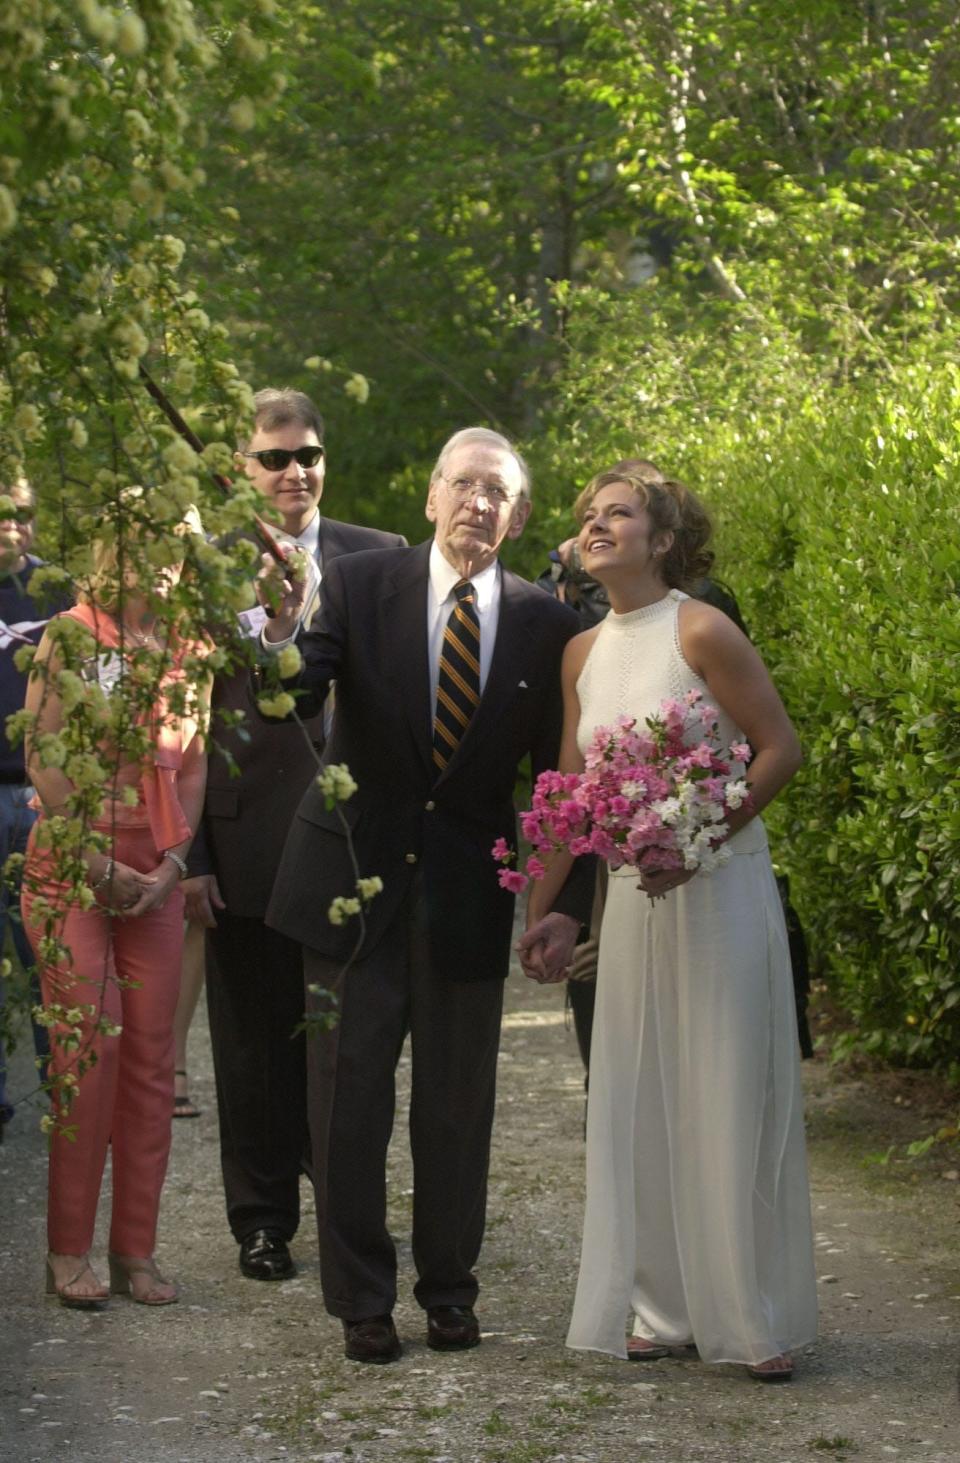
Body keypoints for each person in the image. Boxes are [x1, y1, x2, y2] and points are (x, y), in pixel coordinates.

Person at [258, 426, 591, 1363]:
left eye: (498, 491)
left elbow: (561, 784)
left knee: (455, 1106)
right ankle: (361, 1299)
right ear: (431, 497)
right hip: (350, 889)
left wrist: (565, 902)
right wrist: (280, 630)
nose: (478, 503)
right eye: (464, 484)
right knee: (346, 1103)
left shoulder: (548, 625)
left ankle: (449, 1290)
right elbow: (294, 696)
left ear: (518, 516)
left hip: (467, 895)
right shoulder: (361, 586)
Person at [521, 466, 817, 1380]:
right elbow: (568, 797)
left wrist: (701, 839)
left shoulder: (701, 627)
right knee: (641, 1087)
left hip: (719, 889)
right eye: (589, 516)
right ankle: (661, 1305)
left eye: (620, 513)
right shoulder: (581, 652)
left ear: (662, 539)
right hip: (634, 905)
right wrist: (544, 913)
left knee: (724, 1085)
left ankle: (748, 1313)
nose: (598, 525)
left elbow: (780, 748)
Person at [183, 388, 405, 1280]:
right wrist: (191, 852)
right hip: (244, 837)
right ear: (244, 469)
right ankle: (263, 1218)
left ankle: (348, 1207)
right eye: (274, 458)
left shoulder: (380, 557)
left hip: (352, 845)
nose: (294, 471)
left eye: (307, 455)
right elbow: (182, 723)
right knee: (248, 1042)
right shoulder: (205, 571)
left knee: (347, 1043)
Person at [23, 503, 208, 1307]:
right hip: (73, 871)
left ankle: (137, 1248)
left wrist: (174, 863)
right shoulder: (68, 634)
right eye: (155, 541)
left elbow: (194, 766)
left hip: (154, 880)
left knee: (149, 1070)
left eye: (179, 544)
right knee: (86, 1060)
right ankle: (68, 1248)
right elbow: (43, 752)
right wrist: (94, 859)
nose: (167, 559)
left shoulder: (190, 648)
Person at [0, 480, 58, 1137]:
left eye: (23, 514)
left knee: (51, 953)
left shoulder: (58, 593)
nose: (12, 526)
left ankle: (64, 1085)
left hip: (48, 795)